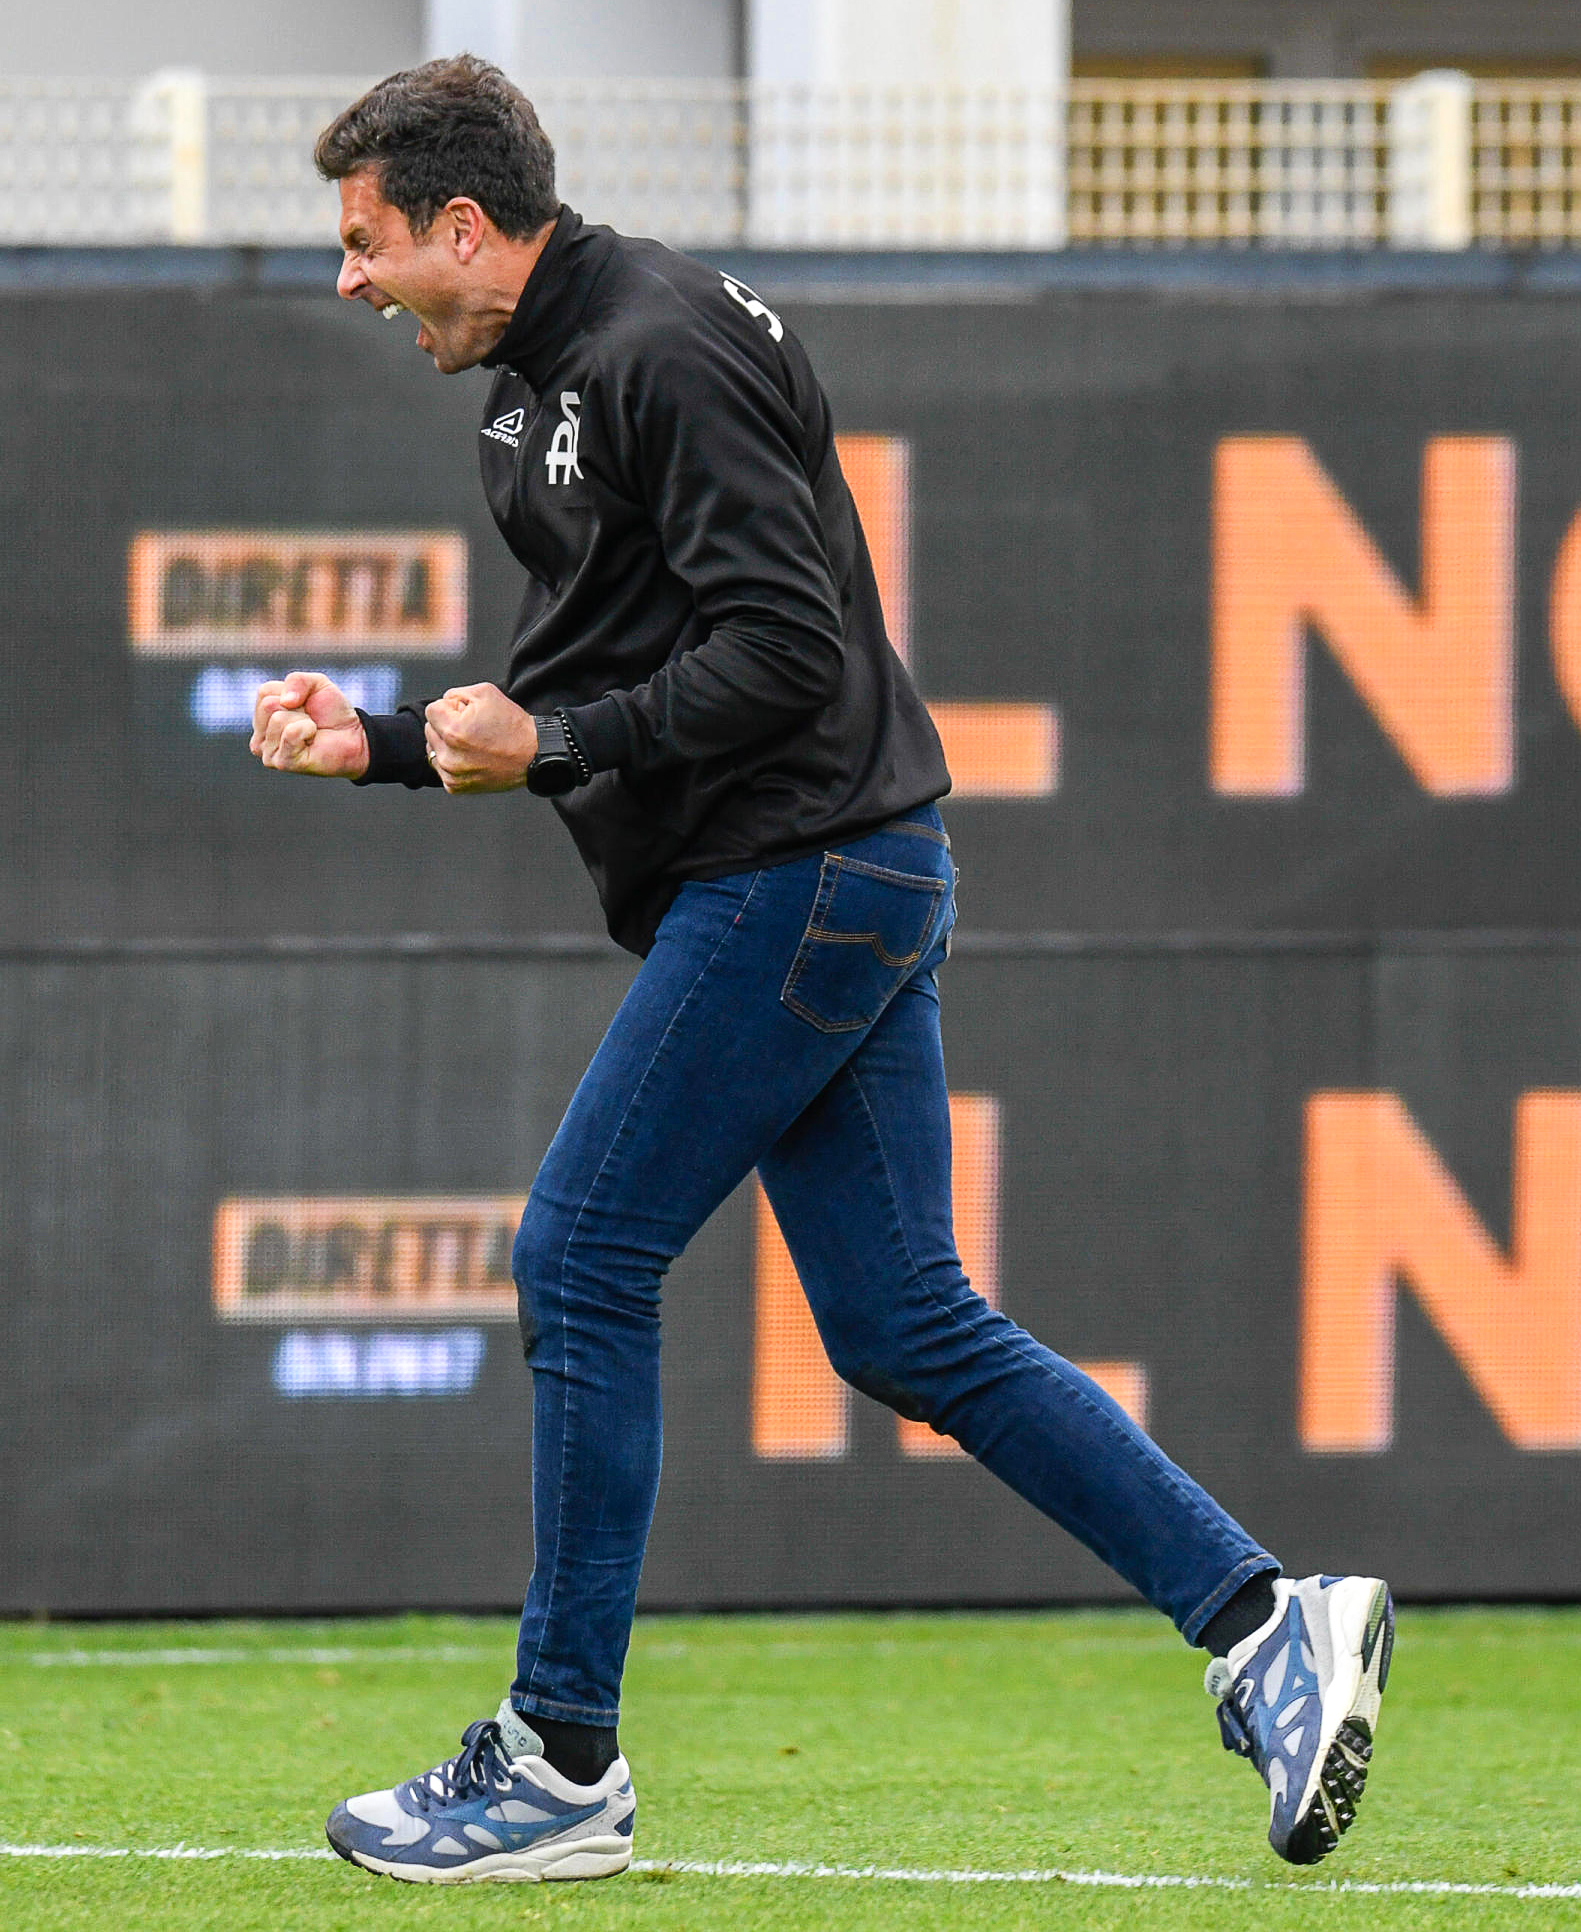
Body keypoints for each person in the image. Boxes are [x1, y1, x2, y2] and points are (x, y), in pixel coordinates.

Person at [251, 55, 1393, 1887]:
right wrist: (386, 741)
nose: (349, 278)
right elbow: (603, 669)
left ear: (461, 226)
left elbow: (778, 653)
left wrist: (544, 745)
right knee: (902, 1325)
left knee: (581, 1252)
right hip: (835, 866)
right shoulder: (553, 373)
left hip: (798, 872)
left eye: (365, 241)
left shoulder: (655, 347)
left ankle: (557, 1764)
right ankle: (1268, 1623)